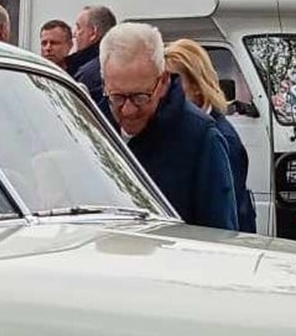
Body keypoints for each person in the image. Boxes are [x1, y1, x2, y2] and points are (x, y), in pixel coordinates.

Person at [100, 22, 237, 230]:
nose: (128, 110)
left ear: (162, 82)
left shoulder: (201, 139)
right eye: (117, 97)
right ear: (104, 84)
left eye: (140, 97)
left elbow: (220, 236)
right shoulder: (92, 127)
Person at [164, 38, 256, 235]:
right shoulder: (180, 127)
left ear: (197, 85)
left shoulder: (221, 138)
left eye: (175, 81)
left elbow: (225, 212)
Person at [64, 5, 114, 109]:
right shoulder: (118, 64)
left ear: (93, 33)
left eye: (78, 27)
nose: (74, 34)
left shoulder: (87, 75)